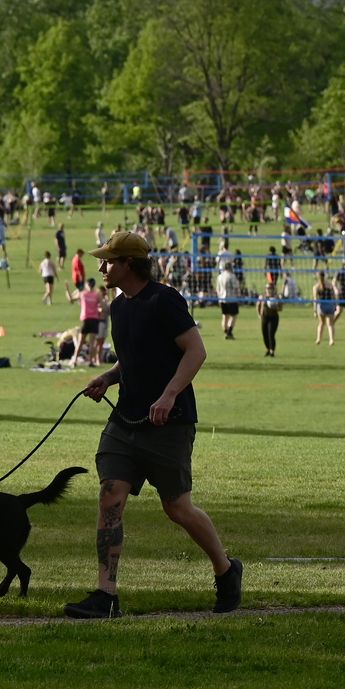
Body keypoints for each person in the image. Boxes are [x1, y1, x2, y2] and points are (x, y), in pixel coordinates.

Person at [66, 230, 239, 620]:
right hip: (126, 422)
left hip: (169, 423)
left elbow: (195, 351)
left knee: (178, 508)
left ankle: (226, 570)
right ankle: (106, 595)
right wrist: (108, 378)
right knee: (110, 496)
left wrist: (169, 394)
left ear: (129, 263)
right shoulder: (120, 307)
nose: (102, 267)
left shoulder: (165, 300)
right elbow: (134, 358)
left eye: (109, 261)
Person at [78, 278, 106, 364]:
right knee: (92, 342)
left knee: (81, 341)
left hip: (86, 319)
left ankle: (75, 359)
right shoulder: (97, 295)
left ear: (87, 285)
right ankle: (90, 361)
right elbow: (102, 306)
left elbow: (71, 299)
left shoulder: (83, 294)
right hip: (94, 319)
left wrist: (67, 289)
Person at [256, 271, 283, 358]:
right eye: (267, 289)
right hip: (265, 317)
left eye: (270, 289)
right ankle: (268, 348)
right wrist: (259, 314)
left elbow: (280, 309)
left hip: (273, 317)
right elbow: (258, 306)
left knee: (271, 333)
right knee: (264, 334)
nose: (269, 290)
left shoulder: (277, 298)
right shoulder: (262, 297)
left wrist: (275, 307)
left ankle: (272, 351)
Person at [214, 262, 240, 340]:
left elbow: (217, 289)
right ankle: (229, 332)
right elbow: (236, 287)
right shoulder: (232, 276)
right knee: (234, 316)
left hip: (222, 298)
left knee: (225, 316)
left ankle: (226, 332)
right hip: (231, 298)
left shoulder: (219, 276)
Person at [312, 272, 337, 346]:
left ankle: (318, 339)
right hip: (329, 305)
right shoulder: (329, 285)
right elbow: (333, 296)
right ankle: (331, 340)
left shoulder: (316, 287)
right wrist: (335, 305)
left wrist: (315, 310)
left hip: (321, 306)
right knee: (330, 324)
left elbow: (315, 300)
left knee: (321, 323)